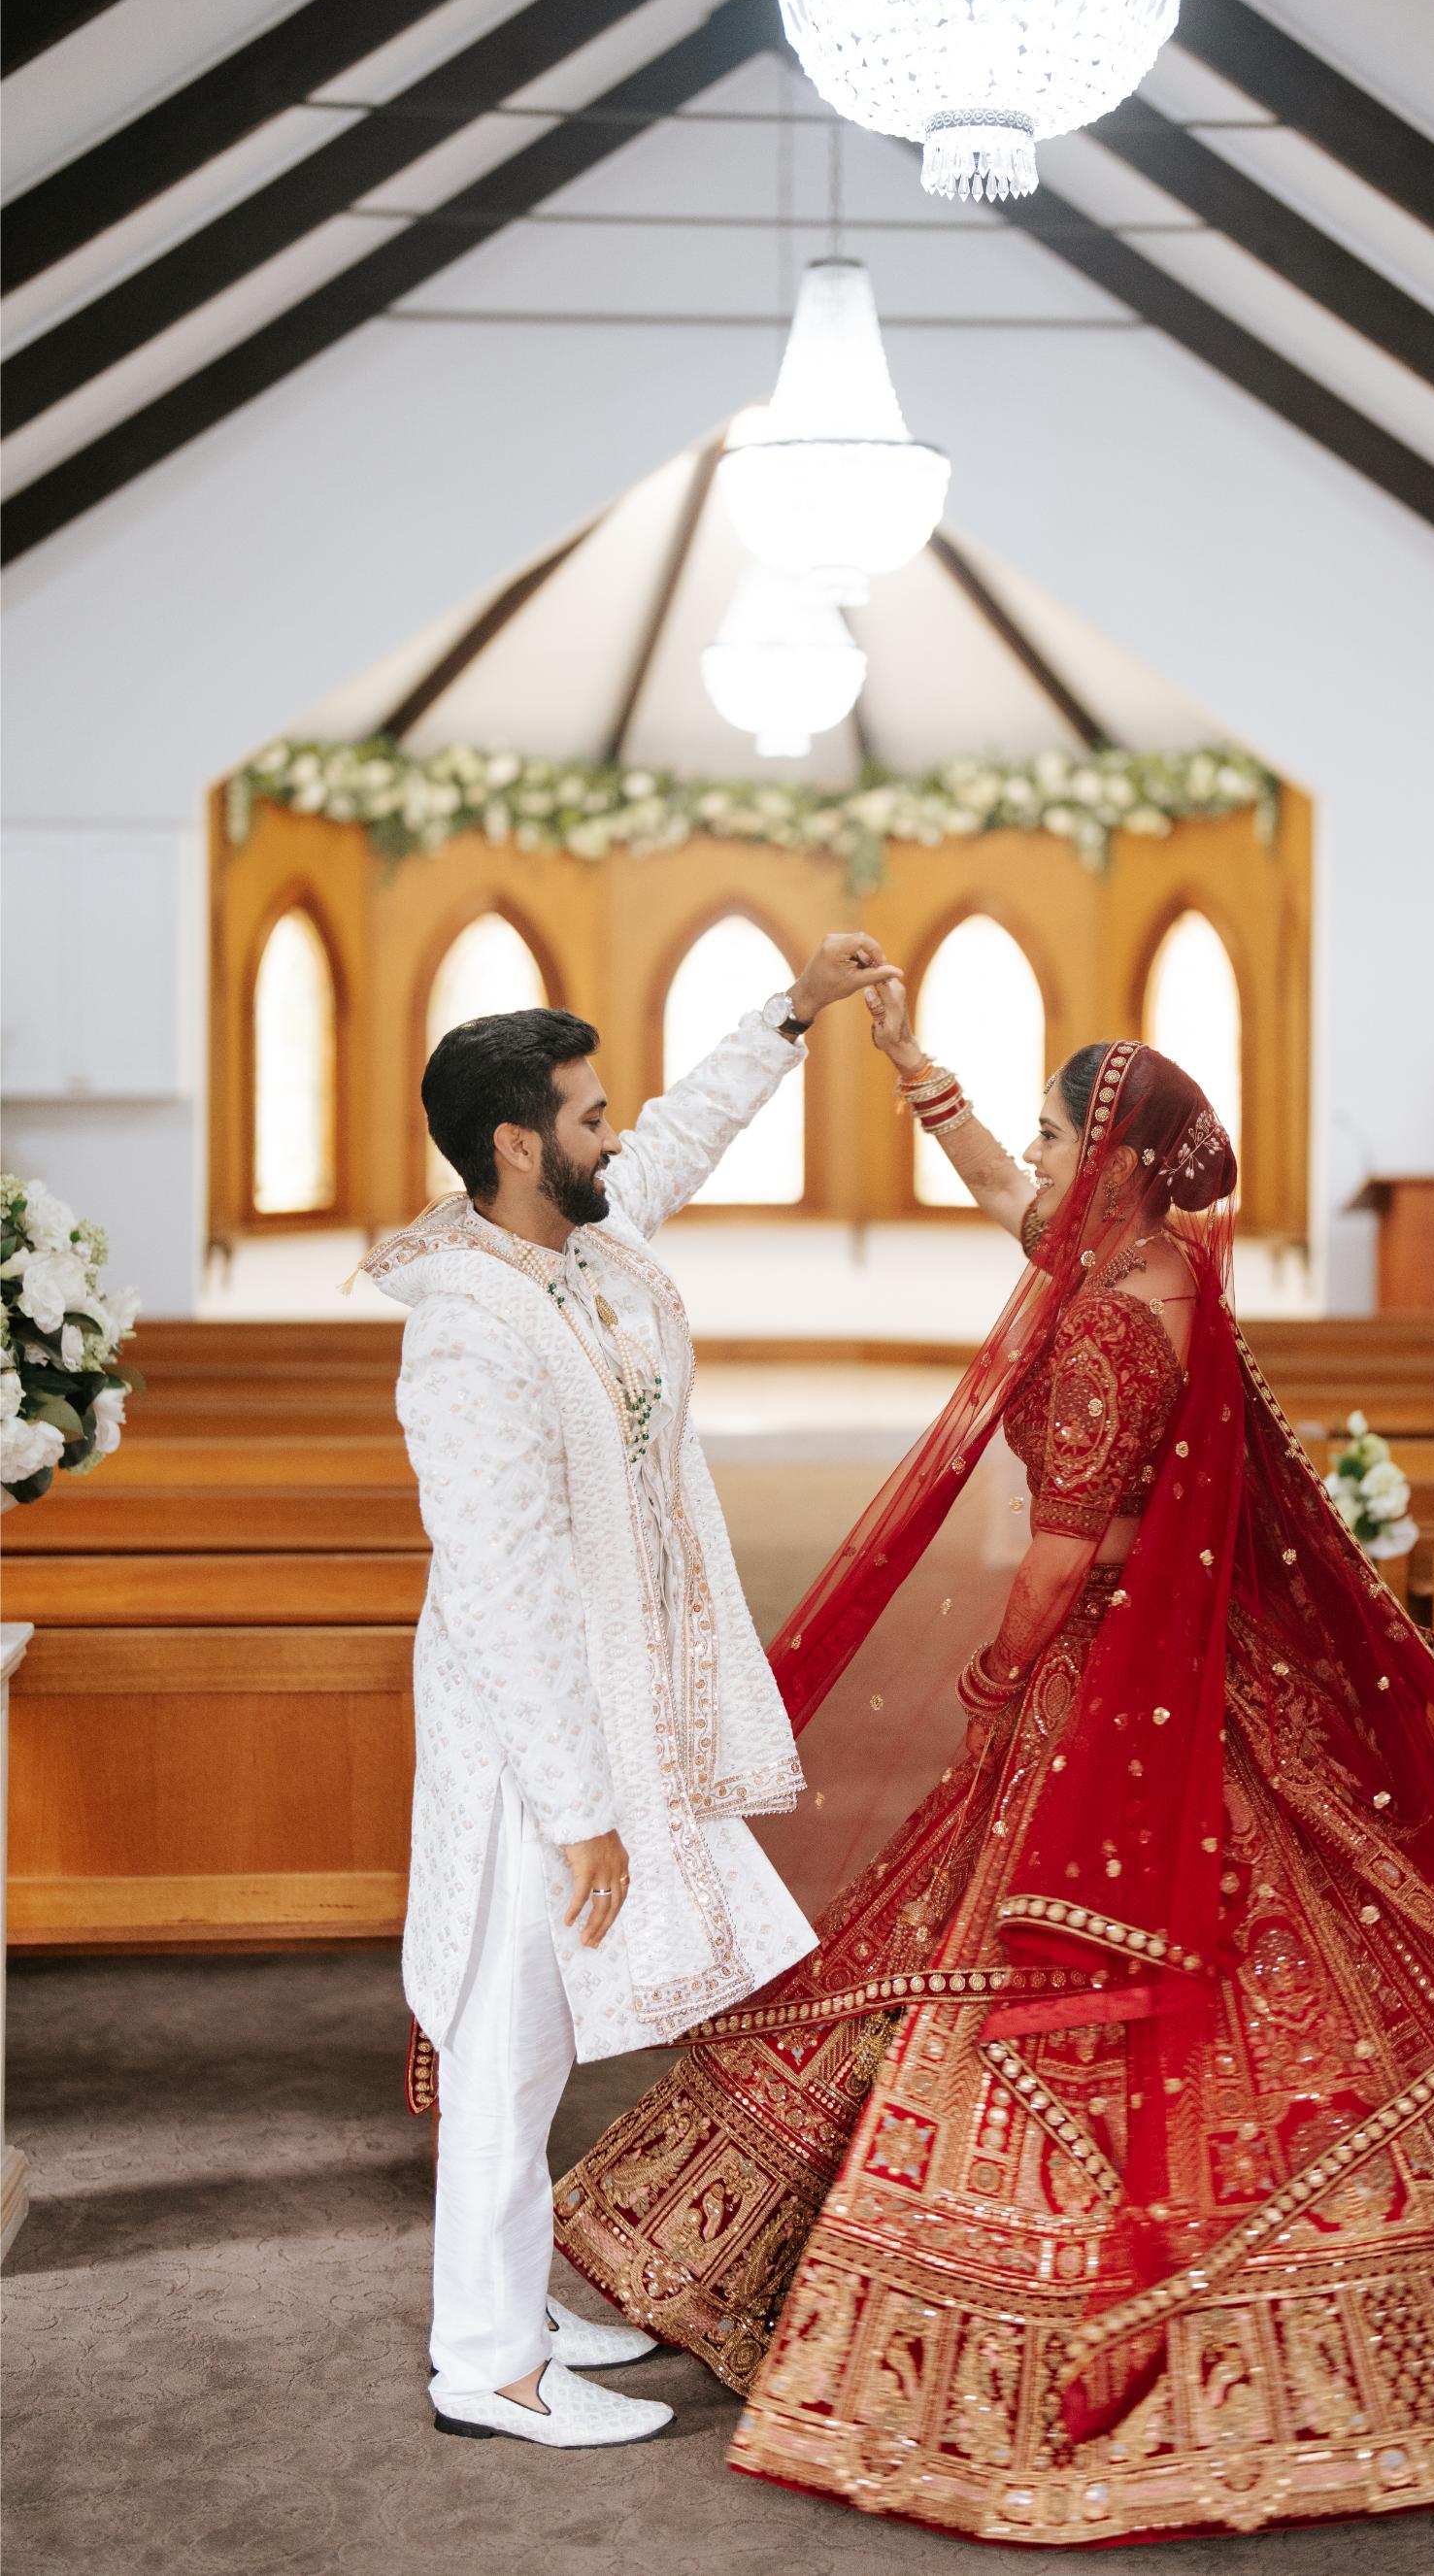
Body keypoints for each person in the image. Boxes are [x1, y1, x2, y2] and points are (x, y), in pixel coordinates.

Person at [555, 986, 1434, 2539]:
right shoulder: (1149, 1261)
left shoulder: (1109, 1318)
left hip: (1107, 1670)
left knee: (1023, 1945)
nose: (1033, 1157)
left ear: (1108, 1156)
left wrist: (999, 1670)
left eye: (1051, 1133)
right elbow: (1007, 1196)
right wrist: (917, 1073)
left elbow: (1061, 1550)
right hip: (1190, 1656)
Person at [358, 937, 898, 2449]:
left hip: (609, 1710)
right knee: (503, 2038)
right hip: (526, 1742)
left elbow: (679, 1138)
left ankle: (515, 2311)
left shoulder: (580, 1246)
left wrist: (789, 1013)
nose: (615, 1135)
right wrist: (578, 1808)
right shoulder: (467, 1326)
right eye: (588, 1117)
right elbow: (503, 1590)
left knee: (531, 2037)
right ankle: (486, 2367)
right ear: (516, 1145)